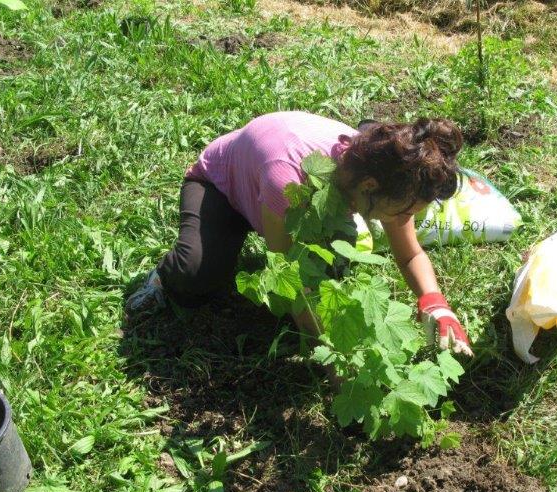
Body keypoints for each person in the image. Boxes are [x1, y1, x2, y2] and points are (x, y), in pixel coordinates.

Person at [126, 111, 472, 355]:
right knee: (197, 273)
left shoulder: (390, 172)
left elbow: (409, 253)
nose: (405, 220)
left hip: (278, 198)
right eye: (405, 213)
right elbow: (289, 276)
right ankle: (162, 277)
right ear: (369, 187)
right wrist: (334, 358)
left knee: (336, 262)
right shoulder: (289, 179)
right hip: (222, 190)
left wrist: (435, 304)